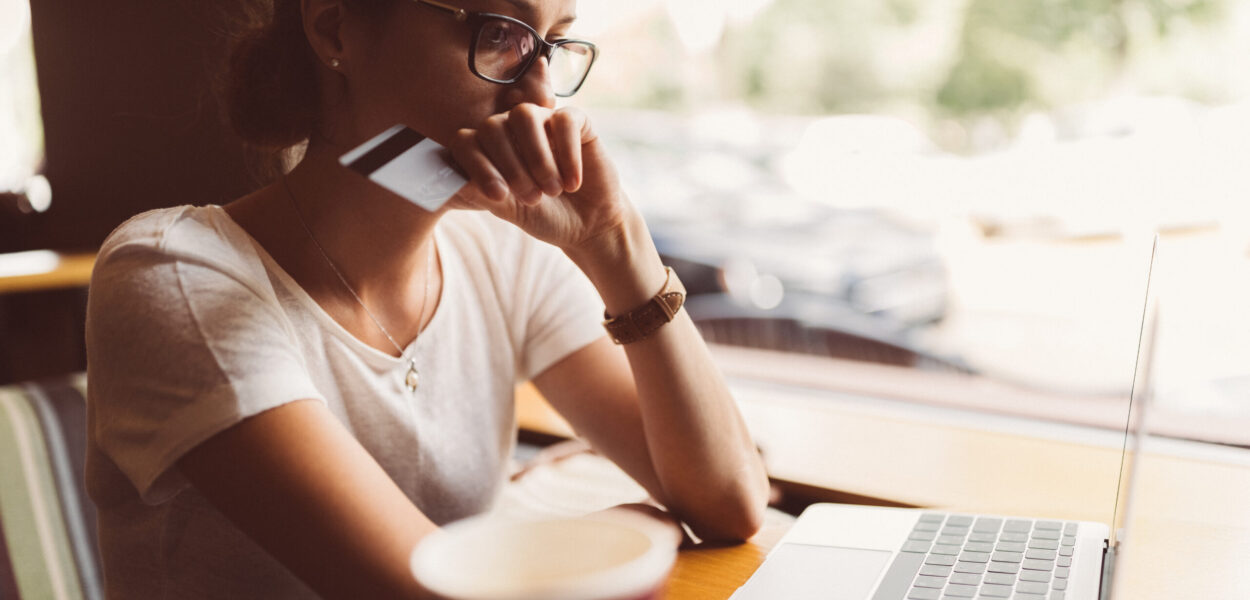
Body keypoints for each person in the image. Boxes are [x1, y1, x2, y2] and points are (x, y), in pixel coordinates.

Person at [83, 0, 770, 597]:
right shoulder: (175, 275)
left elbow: (731, 502)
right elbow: (432, 594)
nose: (538, 102)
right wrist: (630, 529)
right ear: (333, 30)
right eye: (500, 35)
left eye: (552, 46)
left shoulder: (503, 254)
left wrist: (614, 245)